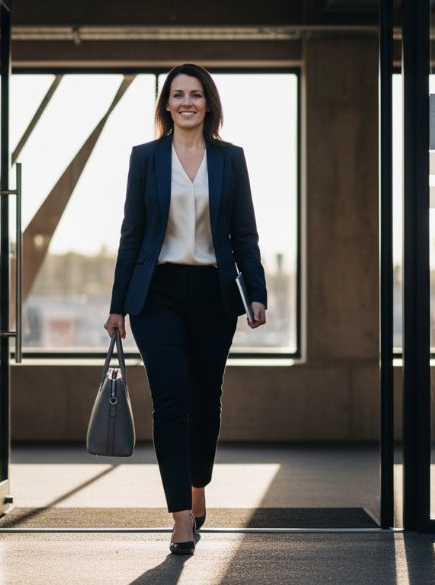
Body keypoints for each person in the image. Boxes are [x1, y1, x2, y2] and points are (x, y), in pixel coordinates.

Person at [104, 63, 267, 555]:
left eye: (195, 94)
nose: (187, 102)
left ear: (208, 103)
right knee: (171, 401)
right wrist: (118, 306)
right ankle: (180, 515)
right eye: (177, 94)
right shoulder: (146, 158)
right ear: (166, 104)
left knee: (204, 402)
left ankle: (198, 483)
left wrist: (255, 292)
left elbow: (245, 233)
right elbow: (131, 236)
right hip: (157, 295)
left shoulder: (230, 159)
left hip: (214, 294)